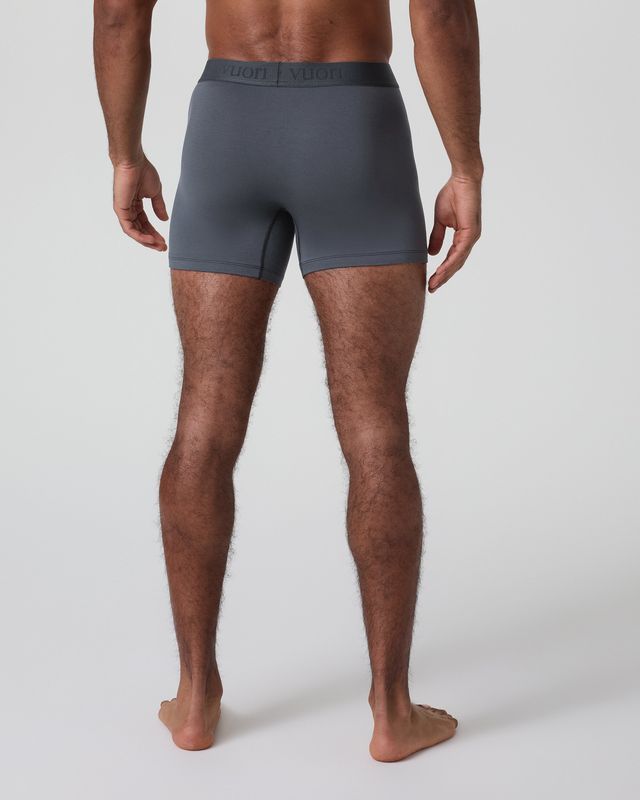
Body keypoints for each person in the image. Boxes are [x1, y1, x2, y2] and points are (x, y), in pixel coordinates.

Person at [93, 0, 482, 761]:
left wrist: (124, 154)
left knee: (204, 419)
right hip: (354, 125)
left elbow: (117, 16)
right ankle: (392, 711)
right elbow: (439, 11)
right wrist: (465, 166)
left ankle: (195, 699)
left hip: (226, 126)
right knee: (376, 428)